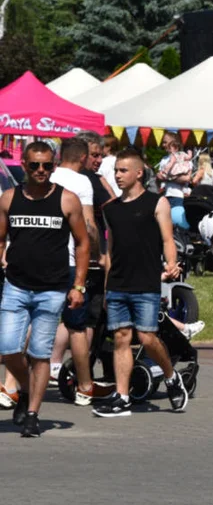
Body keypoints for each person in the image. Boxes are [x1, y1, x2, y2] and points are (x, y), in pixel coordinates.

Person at [0, 142, 90, 437]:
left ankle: (32, 414)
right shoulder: (9, 198)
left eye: (47, 166)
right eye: (35, 165)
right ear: (23, 165)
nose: (41, 170)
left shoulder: (67, 200)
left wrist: (78, 285)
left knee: (40, 354)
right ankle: (26, 390)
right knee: (7, 348)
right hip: (15, 285)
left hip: (52, 290)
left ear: (55, 165)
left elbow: (82, 243)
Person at [92, 149, 188, 417]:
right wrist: (107, 288)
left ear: (138, 173)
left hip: (146, 282)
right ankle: (122, 396)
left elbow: (168, 240)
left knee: (147, 337)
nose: (118, 175)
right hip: (118, 284)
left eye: (123, 171)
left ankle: (170, 377)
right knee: (121, 338)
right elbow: (110, 250)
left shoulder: (157, 203)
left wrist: (171, 264)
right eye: (116, 171)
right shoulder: (109, 208)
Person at [48, 138, 100, 398]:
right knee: (77, 326)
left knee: (36, 320)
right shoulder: (82, 182)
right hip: (70, 261)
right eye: (94, 155)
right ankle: (84, 386)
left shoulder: (48, 175)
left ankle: (15, 384)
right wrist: (99, 254)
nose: (96, 160)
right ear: (82, 158)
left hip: (42, 261)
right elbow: (89, 226)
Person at [156, 132, 192, 209]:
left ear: (174, 143)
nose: (163, 145)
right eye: (163, 142)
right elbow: (159, 177)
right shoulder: (164, 159)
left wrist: (167, 178)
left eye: (165, 142)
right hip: (165, 196)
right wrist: (159, 178)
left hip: (179, 196)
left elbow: (186, 178)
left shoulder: (183, 157)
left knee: (176, 219)